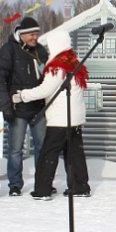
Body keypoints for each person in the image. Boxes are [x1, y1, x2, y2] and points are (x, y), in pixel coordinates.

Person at [13, 30, 90, 200]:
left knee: (49, 153)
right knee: (74, 153)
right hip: (75, 117)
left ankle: (42, 190)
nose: (48, 49)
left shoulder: (57, 66)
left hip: (60, 119)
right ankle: (80, 186)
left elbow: (45, 90)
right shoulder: (73, 62)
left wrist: (22, 95)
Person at [0, 17, 49, 197]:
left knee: (42, 146)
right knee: (16, 148)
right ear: (23, 34)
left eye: (37, 34)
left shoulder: (40, 51)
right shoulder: (8, 50)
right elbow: (0, 80)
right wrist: (6, 106)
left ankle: (42, 181)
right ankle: (15, 184)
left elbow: (48, 77)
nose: (35, 37)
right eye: (32, 34)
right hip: (16, 108)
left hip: (38, 108)